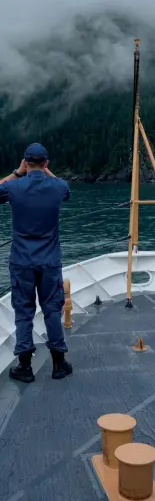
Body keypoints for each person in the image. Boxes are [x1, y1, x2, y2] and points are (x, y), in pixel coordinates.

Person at [0, 143, 72, 383]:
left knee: (23, 311)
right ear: (46, 163)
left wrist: (18, 173)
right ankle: (59, 364)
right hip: (50, 262)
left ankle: (25, 366)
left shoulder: (13, 187)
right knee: (52, 310)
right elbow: (65, 189)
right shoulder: (57, 187)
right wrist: (46, 172)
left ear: (25, 162)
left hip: (22, 262)